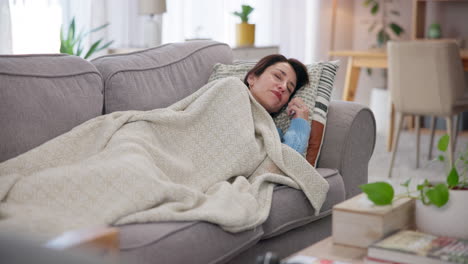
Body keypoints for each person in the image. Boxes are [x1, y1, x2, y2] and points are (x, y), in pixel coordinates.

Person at [244, 54, 310, 154]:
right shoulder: (230, 87)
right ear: (252, 77)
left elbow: (285, 164)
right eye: (277, 76)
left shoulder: (272, 135)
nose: (283, 87)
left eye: (289, 89)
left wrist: (300, 124)